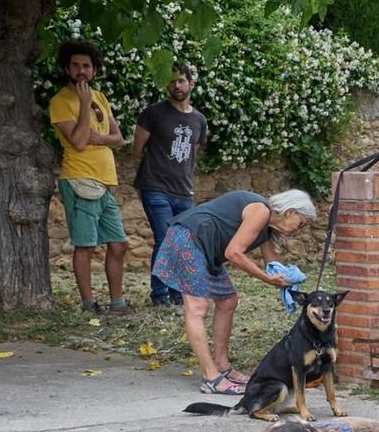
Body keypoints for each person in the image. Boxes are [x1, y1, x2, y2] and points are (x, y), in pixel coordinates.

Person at [150, 189, 316, 397]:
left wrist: (288, 281)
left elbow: (272, 263)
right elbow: (234, 253)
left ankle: (221, 366)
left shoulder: (268, 226)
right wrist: (266, 279)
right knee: (197, 307)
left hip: (208, 248)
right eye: (301, 223)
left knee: (228, 300)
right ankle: (210, 378)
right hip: (188, 239)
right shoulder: (260, 211)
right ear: (290, 212)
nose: (299, 230)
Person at [48, 39, 131, 315]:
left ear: (94, 70)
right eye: (75, 65)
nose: (81, 71)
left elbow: (119, 139)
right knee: (86, 246)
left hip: (104, 181)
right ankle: (89, 304)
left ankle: (118, 303)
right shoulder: (61, 102)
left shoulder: (101, 97)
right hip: (79, 180)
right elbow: (80, 142)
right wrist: (83, 105)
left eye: (86, 66)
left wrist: (100, 137)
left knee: (119, 244)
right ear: (67, 69)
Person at [131, 62, 209, 308]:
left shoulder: (199, 119)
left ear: (191, 84)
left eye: (181, 81)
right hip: (155, 187)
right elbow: (137, 150)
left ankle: (178, 296)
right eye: (172, 81)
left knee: (182, 243)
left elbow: (191, 155)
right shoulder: (154, 113)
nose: (177, 85)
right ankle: (159, 296)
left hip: (184, 192)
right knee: (165, 239)